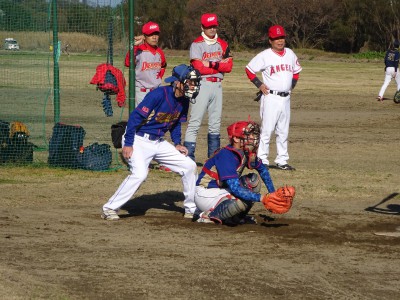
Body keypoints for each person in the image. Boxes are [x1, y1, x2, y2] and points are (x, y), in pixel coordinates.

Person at [101, 64, 201, 221]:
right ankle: (109, 208)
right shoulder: (159, 94)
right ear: (177, 82)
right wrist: (128, 143)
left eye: (195, 82)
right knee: (140, 174)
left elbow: (175, 123)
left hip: (158, 142)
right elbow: (135, 118)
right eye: (189, 82)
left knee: (189, 166)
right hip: (139, 140)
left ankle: (191, 208)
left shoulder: (184, 100)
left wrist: (177, 143)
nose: (193, 86)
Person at [194, 120, 276, 225]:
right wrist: (263, 198)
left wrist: (272, 194)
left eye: (253, 135)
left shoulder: (246, 153)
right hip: (205, 193)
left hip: (221, 191)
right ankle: (208, 215)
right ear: (236, 138)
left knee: (252, 181)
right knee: (240, 198)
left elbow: (262, 170)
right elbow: (235, 189)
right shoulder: (226, 155)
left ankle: (235, 218)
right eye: (248, 135)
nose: (253, 139)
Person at [245, 25, 302, 171]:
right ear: (270, 40)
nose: (280, 41)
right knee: (267, 130)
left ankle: (282, 160)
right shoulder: (265, 55)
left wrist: (292, 85)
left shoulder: (290, 53)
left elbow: (296, 72)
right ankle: (262, 159)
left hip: (285, 98)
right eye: (276, 38)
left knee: (283, 130)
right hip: (270, 97)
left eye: (281, 37)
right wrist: (259, 85)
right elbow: (249, 69)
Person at [183, 13, 233, 164]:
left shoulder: (223, 44)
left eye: (213, 25)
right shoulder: (196, 44)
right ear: (202, 27)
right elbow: (198, 68)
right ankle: (188, 156)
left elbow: (229, 66)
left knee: (215, 123)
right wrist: (218, 66)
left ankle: (213, 157)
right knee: (195, 121)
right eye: (208, 26)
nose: (211, 28)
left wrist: (210, 64)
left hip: (217, 85)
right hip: (201, 84)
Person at [124, 21, 167, 106]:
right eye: (151, 34)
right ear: (144, 36)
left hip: (156, 91)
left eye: (156, 34)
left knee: (155, 118)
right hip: (141, 92)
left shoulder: (159, 52)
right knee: (142, 118)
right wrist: (135, 46)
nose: (154, 37)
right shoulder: (139, 50)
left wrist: (159, 77)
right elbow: (127, 63)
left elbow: (163, 65)